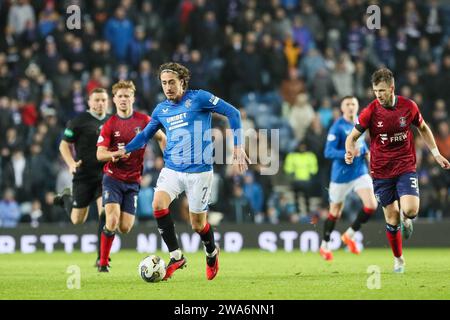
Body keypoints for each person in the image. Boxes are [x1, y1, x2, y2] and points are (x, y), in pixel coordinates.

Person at [116, 62, 250, 281]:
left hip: (199, 172)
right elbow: (145, 136)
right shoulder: (161, 110)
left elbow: (233, 113)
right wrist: (125, 149)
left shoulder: (199, 98)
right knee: (158, 204)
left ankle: (211, 252)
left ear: (183, 82)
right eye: (164, 83)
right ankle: (176, 255)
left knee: (198, 224)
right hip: (173, 169)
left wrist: (237, 146)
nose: (167, 87)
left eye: (172, 82)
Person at [345, 68, 450, 273]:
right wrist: (349, 152)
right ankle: (399, 259)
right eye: (376, 91)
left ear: (392, 88)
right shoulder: (370, 112)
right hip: (381, 170)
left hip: (405, 165)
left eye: (382, 90)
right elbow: (351, 138)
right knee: (391, 218)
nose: (379, 95)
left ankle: (407, 218)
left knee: (411, 210)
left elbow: (423, 128)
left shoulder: (408, 106)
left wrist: (436, 153)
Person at [96, 80, 166, 272]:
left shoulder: (143, 120)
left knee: (125, 227)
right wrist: (114, 155)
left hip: (133, 181)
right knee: (112, 220)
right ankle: (103, 262)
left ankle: (109, 218)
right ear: (114, 100)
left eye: (127, 96)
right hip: (112, 178)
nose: (124, 99)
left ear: (133, 98)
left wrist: (167, 160)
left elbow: (162, 137)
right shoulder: (110, 125)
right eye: (120, 96)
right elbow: (100, 154)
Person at [53, 88, 110, 267]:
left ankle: (102, 258)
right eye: (97, 100)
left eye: (103, 100)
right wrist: (71, 163)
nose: (100, 103)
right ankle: (65, 198)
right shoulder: (78, 122)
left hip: (105, 175)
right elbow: (64, 145)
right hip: (83, 175)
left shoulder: (112, 121)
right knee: (78, 220)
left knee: (105, 212)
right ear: (89, 102)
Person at [319, 96, 378, 261]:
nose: (351, 107)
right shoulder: (337, 127)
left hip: (359, 171)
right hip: (341, 176)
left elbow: (361, 144)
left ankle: (349, 235)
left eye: (353, 104)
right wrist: (346, 153)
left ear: (357, 106)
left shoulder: (360, 122)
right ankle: (325, 245)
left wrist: (367, 153)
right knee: (335, 212)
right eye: (347, 104)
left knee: (371, 205)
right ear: (342, 108)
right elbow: (328, 151)